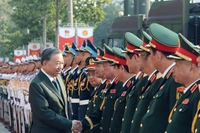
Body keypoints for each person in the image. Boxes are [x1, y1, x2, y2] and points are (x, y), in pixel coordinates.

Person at [29, 48, 82, 133]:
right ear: (45, 63)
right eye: (57, 63)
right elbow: (44, 113)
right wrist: (69, 124)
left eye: (62, 63)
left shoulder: (58, 78)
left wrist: (70, 125)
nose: (60, 67)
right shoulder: (37, 84)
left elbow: (65, 105)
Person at [165, 33, 200, 133]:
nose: (172, 70)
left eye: (177, 65)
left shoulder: (196, 95)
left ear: (190, 67)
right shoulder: (189, 93)